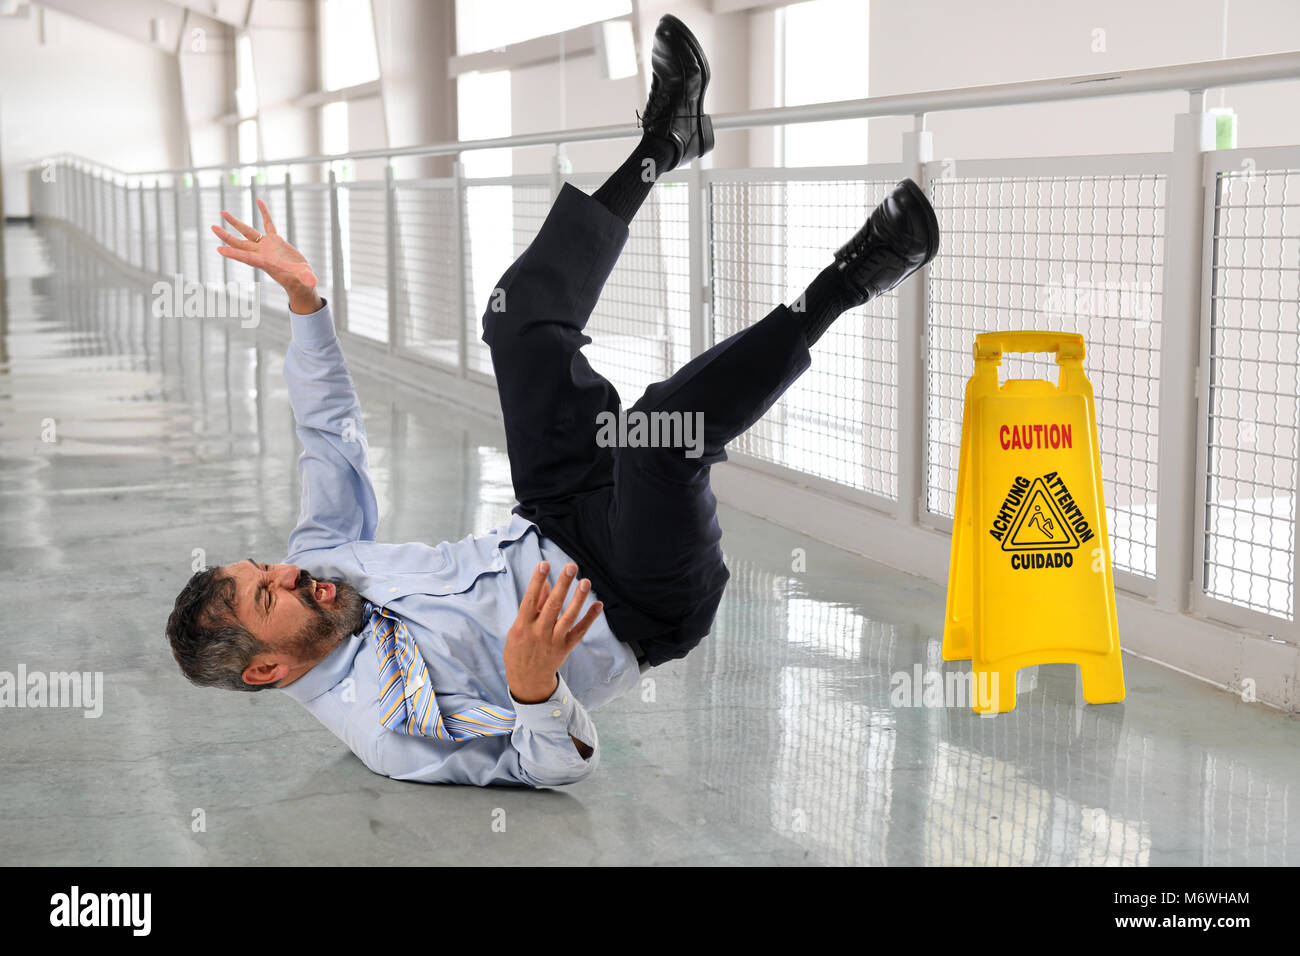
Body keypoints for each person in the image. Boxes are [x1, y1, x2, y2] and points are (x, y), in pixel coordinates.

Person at [165, 13, 940, 788]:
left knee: (517, 320)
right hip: (635, 598)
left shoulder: (317, 563)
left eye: (270, 567)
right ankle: (854, 278)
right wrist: (534, 685)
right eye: (271, 593)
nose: (294, 574)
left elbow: (327, 435)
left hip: (552, 510)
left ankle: (666, 140)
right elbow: (557, 766)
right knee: (653, 439)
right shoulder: (391, 726)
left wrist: (305, 302)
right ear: (265, 669)